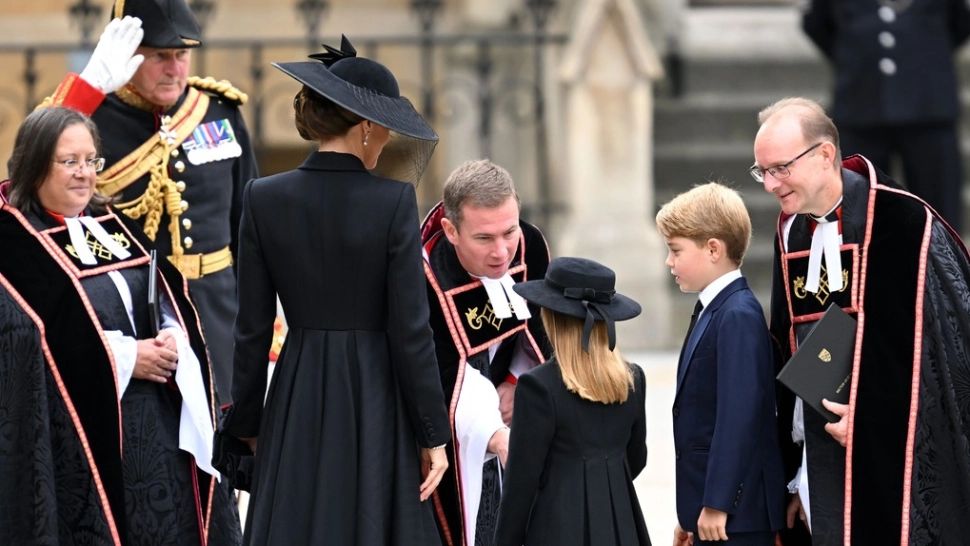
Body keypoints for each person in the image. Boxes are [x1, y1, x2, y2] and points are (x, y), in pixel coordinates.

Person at [221, 37, 451, 545]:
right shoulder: (394, 202)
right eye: (384, 124)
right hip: (375, 392)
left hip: (298, 387)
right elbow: (411, 331)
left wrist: (248, 423)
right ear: (365, 126)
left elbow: (251, 329)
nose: (387, 137)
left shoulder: (263, 197)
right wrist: (432, 433)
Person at [0, 106, 240, 545]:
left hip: (159, 428)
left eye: (90, 160)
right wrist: (128, 357)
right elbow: (23, 342)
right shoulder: (14, 244)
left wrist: (172, 335)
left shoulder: (110, 226)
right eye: (69, 161)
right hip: (85, 437)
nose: (84, 173)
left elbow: (160, 294)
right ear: (34, 165)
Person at [752, 97, 970, 545]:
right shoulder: (790, 231)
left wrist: (872, 418)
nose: (771, 184)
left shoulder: (901, 221)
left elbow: (935, 353)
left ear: (824, 154)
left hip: (888, 451)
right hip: (818, 456)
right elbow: (787, 344)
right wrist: (792, 471)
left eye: (780, 168)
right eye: (762, 171)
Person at [41, 0, 259, 402]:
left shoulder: (217, 111)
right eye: (159, 56)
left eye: (181, 55)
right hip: (135, 323)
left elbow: (248, 227)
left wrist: (259, 325)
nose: (174, 68)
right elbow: (32, 174)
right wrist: (86, 90)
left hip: (217, 317)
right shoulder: (88, 119)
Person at [420, 159, 550, 546]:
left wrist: (517, 381)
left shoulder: (530, 246)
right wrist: (492, 431)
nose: (502, 252)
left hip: (514, 404)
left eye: (509, 231)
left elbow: (542, 333)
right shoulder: (425, 275)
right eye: (484, 238)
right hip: (458, 427)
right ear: (451, 230)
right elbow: (439, 372)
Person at [655, 182, 785, 546]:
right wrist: (693, 512)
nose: (669, 262)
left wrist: (717, 502)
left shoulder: (737, 314)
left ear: (713, 249)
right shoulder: (713, 308)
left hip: (735, 516)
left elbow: (738, 416)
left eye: (675, 250)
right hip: (712, 512)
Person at [492, 256, 649, 546]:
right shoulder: (632, 379)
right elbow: (636, 459)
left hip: (556, 528)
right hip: (621, 526)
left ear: (550, 318)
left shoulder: (538, 386)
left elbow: (521, 485)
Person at [801, 0, 970, 232]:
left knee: (939, 212)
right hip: (860, 105)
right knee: (858, 213)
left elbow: (960, 22)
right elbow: (818, 24)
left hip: (929, 107)